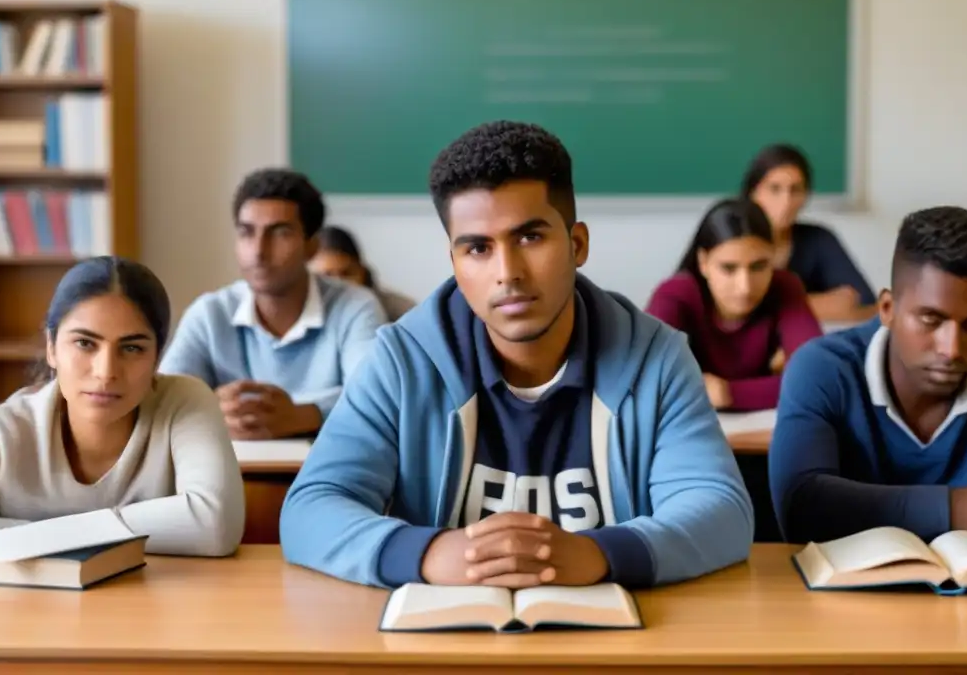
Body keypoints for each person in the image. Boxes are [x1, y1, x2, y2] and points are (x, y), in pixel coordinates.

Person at [280, 120, 753, 590]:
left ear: (577, 244)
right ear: (454, 263)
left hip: (611, 647)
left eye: (530, 237)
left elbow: (721, 509)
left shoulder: (656, 357)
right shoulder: (401, 360)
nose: (507, 273)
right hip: (444, 644)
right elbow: (309, 510)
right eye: (478, 248)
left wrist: (599, 554)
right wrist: (430, 553)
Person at [0, 257, 245, 554]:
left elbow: (216, 526)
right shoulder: (7, 427)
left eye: (132, 348)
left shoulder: (185, 402)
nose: (106, 371)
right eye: (85, 343)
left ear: (157, 357)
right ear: (51, 348)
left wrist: (36, 537)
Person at [770, 206, 967, 545]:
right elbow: (801, 506)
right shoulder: (822, 368)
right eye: (931, 320)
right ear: (887, 309)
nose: (952, 349)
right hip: (838, 596)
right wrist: (951, 508)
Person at [159, 169, 386, 438]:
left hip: (329, 473)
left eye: (279, 233)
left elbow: (377, 398)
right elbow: (164, 403)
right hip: (232, 474)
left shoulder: (355, 307)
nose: (258, 251)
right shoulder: (209, 314)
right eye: (246, 233)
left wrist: (307, 414)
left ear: (312, 246)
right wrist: (206, 410)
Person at [646, 198, 823, 412]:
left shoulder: (786, 286)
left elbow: (816, 376)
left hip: (757, 430)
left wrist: (728, 393)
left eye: (759, 266)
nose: (745, 287)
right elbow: (648, 381)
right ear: (703, 262)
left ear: (773, 257)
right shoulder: (674, 294)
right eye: (729, 268)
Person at [741, 143, 876, 324]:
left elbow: (868, 306)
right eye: (774, 189)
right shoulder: (732, 238)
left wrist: (767, 306)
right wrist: (823, 304)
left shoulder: (818, 239)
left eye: (795, 190)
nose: (786, 201)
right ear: (753, 192)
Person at [310, 225, 416, 322]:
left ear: (362, 272)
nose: (338, 283)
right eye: (327, 275)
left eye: (346, 274)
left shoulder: (403, 313)